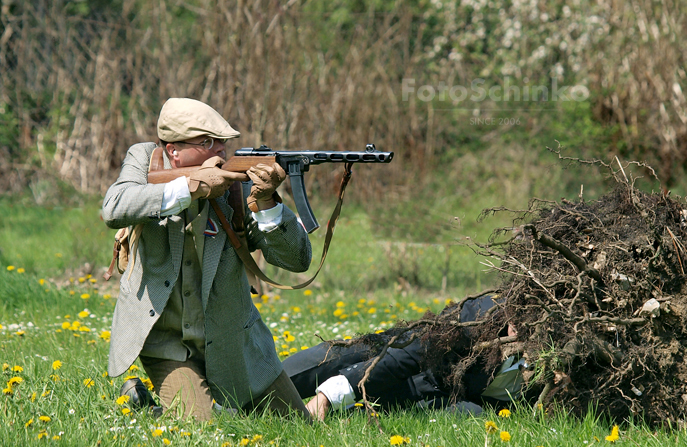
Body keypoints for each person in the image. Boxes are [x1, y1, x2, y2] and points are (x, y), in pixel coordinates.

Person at [103, 97, 312, 422]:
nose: (220, 150)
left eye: (222, 142)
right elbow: (114, 207)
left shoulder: (238, 187)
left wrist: (269, 203)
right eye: (206, 142)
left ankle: (153, 407)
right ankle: (157, 407)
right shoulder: (144, 159)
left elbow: (298, 261)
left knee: (301, 431)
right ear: (173, 151)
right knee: (204, 431)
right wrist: (191, 187)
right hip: (167, 343)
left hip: (234, 341)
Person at [283, 295, 527, 420]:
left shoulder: (551, 365)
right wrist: (327, 395)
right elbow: (406, 356)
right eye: (521, 317)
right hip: (396, 354)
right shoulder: (479, 315)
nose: (522, 327)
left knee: (471, 415)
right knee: (288, 377)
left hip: (438, 399)